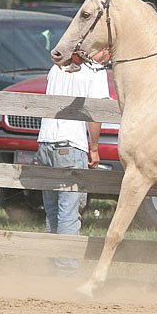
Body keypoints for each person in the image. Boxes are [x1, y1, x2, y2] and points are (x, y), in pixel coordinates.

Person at [37, 48, 111, 275]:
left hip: (45, 143)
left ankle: (52, 267)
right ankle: (66, 273)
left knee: (52, 212)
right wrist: (95, 148)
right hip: (71, 145)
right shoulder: (96, 72)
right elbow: (95, 113)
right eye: (106, 49)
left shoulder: (57, 67)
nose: (108, 54)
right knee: (69, 212)